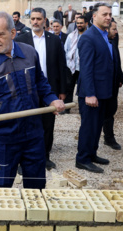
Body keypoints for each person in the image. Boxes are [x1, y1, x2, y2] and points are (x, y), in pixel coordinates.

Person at [0, 11, 65, 189]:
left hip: (33, 133)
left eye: (0, 34)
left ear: (12, 33)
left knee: (36, 188)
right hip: (4, 138)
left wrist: (51, 99)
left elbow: (41, 83)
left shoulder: (29, 53)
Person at [15, 7, 67, 170]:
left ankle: (44, 156)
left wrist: (62, 91)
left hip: (49, 90)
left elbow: (61, 65)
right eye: (33, 19)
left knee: (47, 124)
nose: (35, 22)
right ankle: (22, 160)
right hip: (27, 90)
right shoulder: (21, 39)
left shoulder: (54, 40)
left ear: (45, 20)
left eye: (38, 19)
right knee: (26, 124)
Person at [76, 3, 117, 173]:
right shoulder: (88, 37)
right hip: (91, 94)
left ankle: (92, 154)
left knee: (97, 126)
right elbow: (86, 68)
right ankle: (82, 159)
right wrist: (90, 94)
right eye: (104, 14)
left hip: (103, 93)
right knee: (89, 127)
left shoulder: (104, 35)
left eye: (109, 14)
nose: (108, 17)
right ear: (94, 16)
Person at [102, 20, 123, 150]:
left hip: (113, 85)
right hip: (101, 85)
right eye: (114, 29)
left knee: (110, 112)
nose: (116, 32)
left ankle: (109, 138)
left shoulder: (113, 40)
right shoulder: (97, 42)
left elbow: (117, 60)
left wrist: (120, 77)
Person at [62, 15, 88, 114]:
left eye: (81, 23)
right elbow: (65, 50)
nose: (79, 25)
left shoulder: (89, 36)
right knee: (69, 87)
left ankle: (83, 109)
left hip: (84, 67)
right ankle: (67, 108)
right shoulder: (71, 36)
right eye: (78, 23)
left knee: (83, 89)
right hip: (71, 66)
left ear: (86, 23)